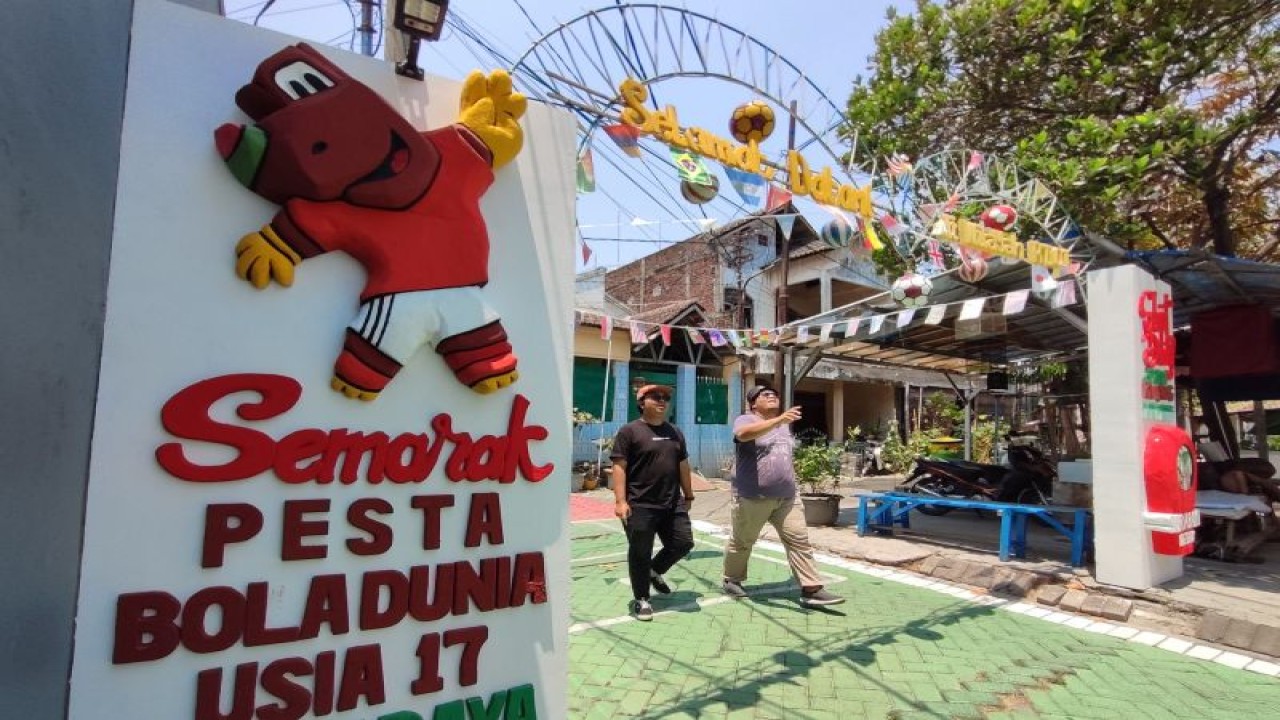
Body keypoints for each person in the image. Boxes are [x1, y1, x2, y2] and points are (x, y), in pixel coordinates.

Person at [723, 385, 845, 607]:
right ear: (753, 403)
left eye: (774, 394)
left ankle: (811, 589)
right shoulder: (746, 419)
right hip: (753, 496)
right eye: (765, 394)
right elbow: (742, 435)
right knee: (742, 541)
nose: (772, 396)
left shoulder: (783, 425)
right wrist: (778, 420)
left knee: (799, 541)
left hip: (787, 497)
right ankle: (732, 579)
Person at [610, 383, 696, 621]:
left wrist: (688, 494)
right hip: (640, 504)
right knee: (640, 552)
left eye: (665, 398)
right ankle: (642, 599)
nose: (662, 401)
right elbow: (619, 466)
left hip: (672, 502)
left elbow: (683, 465)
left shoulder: (675, 432)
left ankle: (654, 570)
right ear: (641, 402)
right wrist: (620, 501)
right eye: (655, 397)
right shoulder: (629, 431)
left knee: (683, 543)